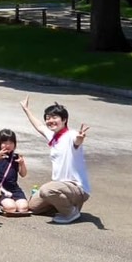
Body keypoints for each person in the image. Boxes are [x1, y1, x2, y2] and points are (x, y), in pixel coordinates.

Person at [18, 96, 91, 224]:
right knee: (33, 207)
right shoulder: (53, 136)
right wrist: (26, 109)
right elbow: (39, 126)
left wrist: (80, 137)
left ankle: (70, 213)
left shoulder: (71, 135)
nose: (50, 120)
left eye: (54, 117)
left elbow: (77, 141)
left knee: (47, 190)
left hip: (76, 187)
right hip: (60, 185)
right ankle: (64, 205)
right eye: (47, 118)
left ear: (64, 120)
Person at [0, 129, 30, 217]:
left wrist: (22, 163)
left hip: (14, 188)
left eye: (11, 143)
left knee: (23, 208)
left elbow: (23, 174)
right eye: (4, 142)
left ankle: (4, 204)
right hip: (0, 189)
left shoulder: (16, 157)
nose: (8, 145)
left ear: (15, 144)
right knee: (11, 208)